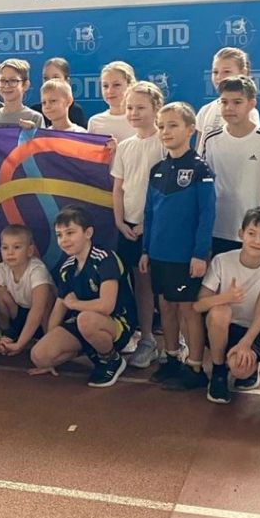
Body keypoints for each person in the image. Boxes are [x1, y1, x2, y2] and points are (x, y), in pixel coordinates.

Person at [140, 102, 215, 391]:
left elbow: (207, 214)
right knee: (165, 306)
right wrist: (145, 250)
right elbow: (149, 213)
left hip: (185, 257)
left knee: (188, 310)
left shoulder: (199, 169)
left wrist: (199, 254)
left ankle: (195, 366)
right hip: (158, 254)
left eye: (173, 125)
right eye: (161, 126)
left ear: (190, 130)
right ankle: (171, 358)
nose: (166, 131)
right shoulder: (158, 170)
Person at [29, 206, 136, 388]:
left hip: (117, 322)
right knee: (40, 356)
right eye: (59, 235)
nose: (64, 240)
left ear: (88, 233)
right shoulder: (67, 268)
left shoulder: (105, 259)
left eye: (70, 233)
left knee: (86, 320)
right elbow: (59, 306)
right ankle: (93, 350)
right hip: (83, 322)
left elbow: (106, 306)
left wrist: (75, 304)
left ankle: (111, 359)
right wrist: (51, 339)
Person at [195, 206, 260, 403]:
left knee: (240, 370)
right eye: (252, 233)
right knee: (220, 311)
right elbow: (198, 306)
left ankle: (255, 362)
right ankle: (218, 371)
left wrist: (246, 342)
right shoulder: (222, 260)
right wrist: (226, 297)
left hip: (249, 330)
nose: (257, 241)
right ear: (241, 234)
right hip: (220, 327)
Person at [110, 81, 164, 369]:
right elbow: (118, 189)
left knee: (164, 287)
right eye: (130, 107)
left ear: (156, 109)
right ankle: (147, 339)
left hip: (158, 229)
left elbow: (168, 193)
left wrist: (150, 225)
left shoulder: (165, 145)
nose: (133, 113)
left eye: (140, 107)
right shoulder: (125, 147)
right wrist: (119, 221)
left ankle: (176, 340)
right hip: (130, 228)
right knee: (140, 283)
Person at [200, 74, 260, 257]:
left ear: (251, 104)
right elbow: (201, 182)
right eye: (224, 102)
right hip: (216, 227)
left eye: (237, 102)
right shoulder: (210, 139)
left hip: (252, 231)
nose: (229, 108)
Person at [0, 225, 54, 356]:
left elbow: (37, 310)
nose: (10, 253)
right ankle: (8, 335)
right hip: (18, 316)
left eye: (17, 247)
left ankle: (47, 339)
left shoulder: (37, 270)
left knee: (46, 297)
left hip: (40, 321)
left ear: (29, 251)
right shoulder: (1, 269)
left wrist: (21, 344)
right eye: (5, 248)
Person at [195, 47, 260, 151]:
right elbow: (199, 150)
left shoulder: (249, 112)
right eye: (215, 72)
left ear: (243, 72)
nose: (219, 77)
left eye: (226, 71)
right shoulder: (205, 110)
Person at [0, 59, 44, 128]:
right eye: (2, 80)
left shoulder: (35, 117)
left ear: (25, 85)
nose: (7, 85)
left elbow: (42, 135)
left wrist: (33, 131)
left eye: (13, 80)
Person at [86, 61, 136, 143]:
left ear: (130, 85)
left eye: (116, 85)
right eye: (105, 86)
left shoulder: (139, 119)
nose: (110, 91)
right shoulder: (95, 122)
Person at [31, 58, 87, 128]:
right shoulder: (35, 112)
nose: (50, 81)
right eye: (45, 78)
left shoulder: (76, 111)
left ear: (67, 81)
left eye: (55, 77)